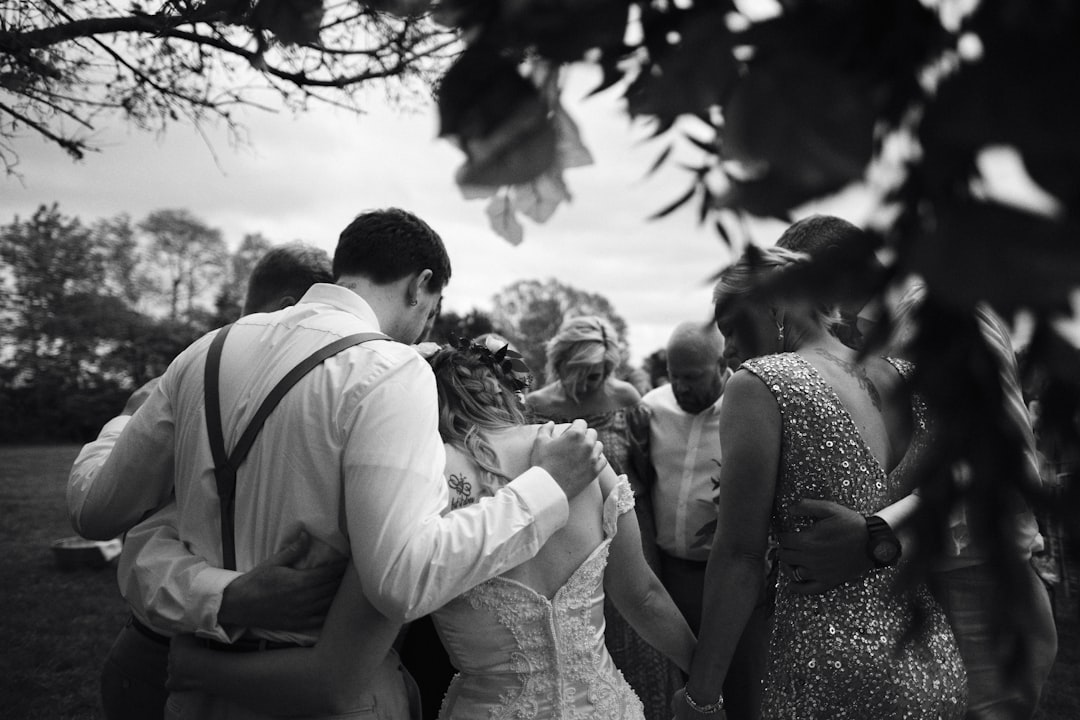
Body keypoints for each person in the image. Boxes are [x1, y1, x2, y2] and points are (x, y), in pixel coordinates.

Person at [68, 208, 604, 719]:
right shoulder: (391, 370)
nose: (424, 329)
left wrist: (122, 425)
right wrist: (546, 488)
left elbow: (96, 513)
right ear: (420, 286)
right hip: (327, 700)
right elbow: (402, 578)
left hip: (199, 691)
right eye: (431, 309)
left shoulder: (201, 353)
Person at [168, 339, 697, 719]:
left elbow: (348, 656)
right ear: (505, 394)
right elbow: (644, 596)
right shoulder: (580, 452)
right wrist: (705, 678)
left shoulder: (420, 481)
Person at [675, 245, 966, 719]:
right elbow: (953, 492)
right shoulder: (909, 377)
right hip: (932, 663)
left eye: (731, 327)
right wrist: (881, 532)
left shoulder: (760, 383)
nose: (727, 350)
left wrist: (700, 696)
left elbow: (739, 557)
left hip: (832, 678)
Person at [69, 243, 348, 720]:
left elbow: (96, 511)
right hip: (165, 660)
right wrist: (229, 597)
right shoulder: (192, 381)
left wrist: (123, 420)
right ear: (289, 308)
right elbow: (101, 516)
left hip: (275, 673)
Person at [779, 280, 1057, 720]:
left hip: (976, 586)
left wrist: (880, 536)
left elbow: (999, 457)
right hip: (918, 588)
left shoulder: (943, 310)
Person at [526, 315, 682, 720]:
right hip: (569, 542)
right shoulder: (537, 407)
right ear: (561, 364)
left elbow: (648, 469)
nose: (590, 384)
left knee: (641, 636)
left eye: (598, 374)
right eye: (582, 374)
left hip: (632, 532)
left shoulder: (627, 399)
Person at [634, 321, 769, 720]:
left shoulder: (750, 410)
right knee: (676, 689)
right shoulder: (651, 408)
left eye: (691, 377)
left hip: (733, 579)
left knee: (742, 688)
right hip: (668, 579)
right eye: (674, 377)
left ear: (721, 363)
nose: (681, 388)